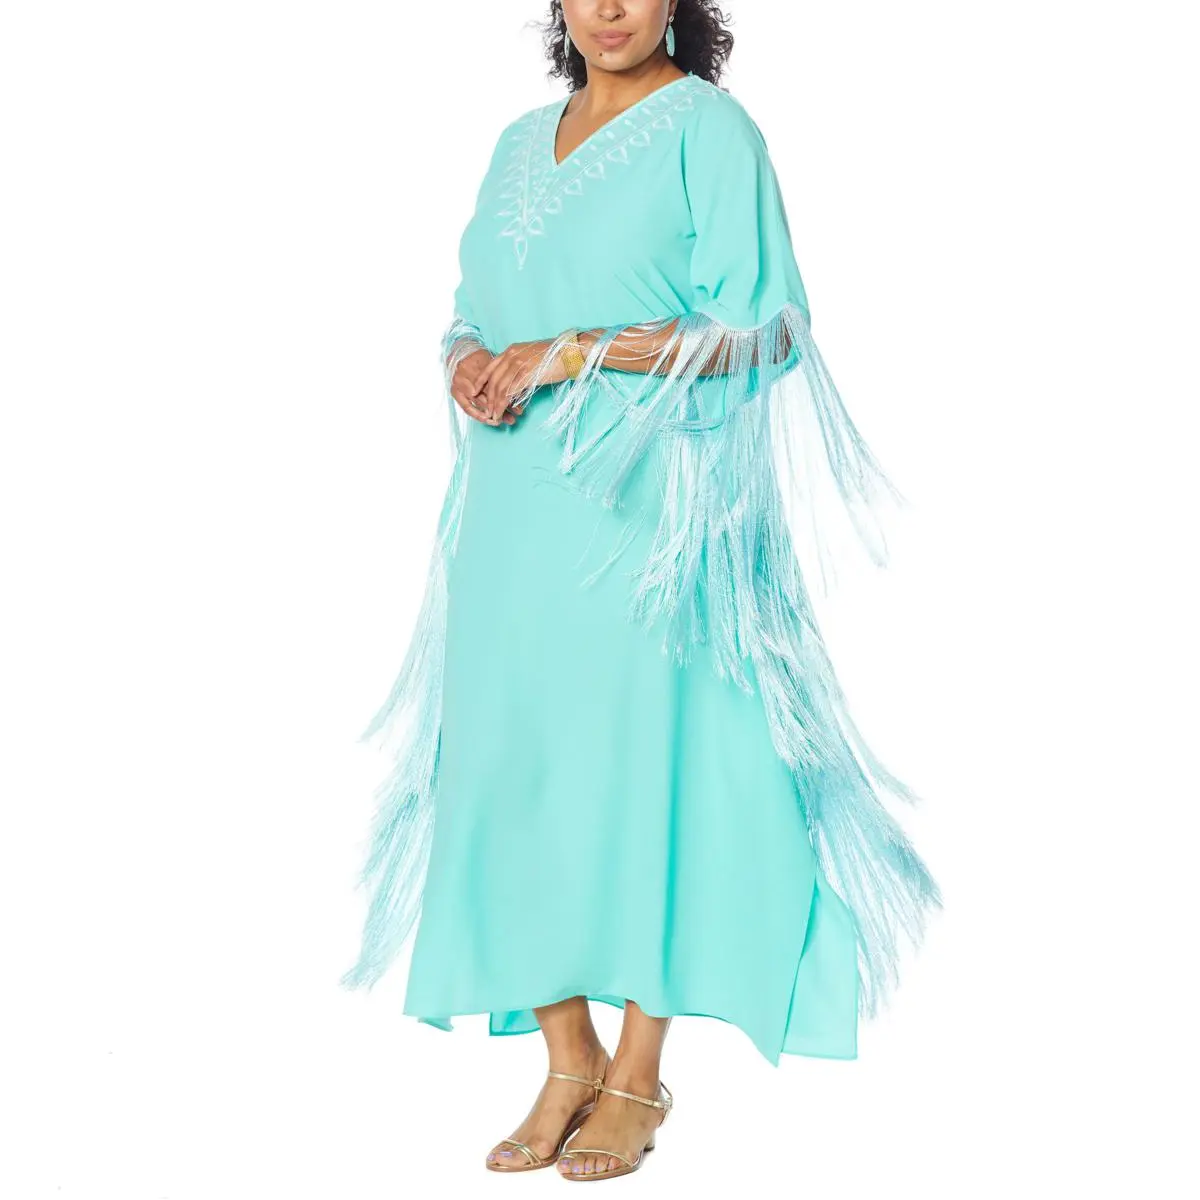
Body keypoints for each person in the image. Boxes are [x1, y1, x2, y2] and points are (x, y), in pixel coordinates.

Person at [341, 0, 941, 1182]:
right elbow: (472, 308)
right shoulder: (521, 141)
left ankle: (636, 1071)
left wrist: (574, 350)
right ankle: (565, 1056)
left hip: (648, 518)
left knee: (640, 772)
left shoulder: (708, 132)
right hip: (510, 517)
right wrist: (467, 358)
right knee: (507, 768)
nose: (609, 8)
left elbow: (763, 330)